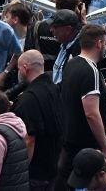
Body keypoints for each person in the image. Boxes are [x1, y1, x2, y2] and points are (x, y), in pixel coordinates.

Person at [57, 24, 106, 190]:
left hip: (69, 142)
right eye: (105, 43)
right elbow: (91, 113)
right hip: (84, 147)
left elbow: (79, 98)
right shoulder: (90, 70)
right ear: (99, 43)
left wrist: (105, 86)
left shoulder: (72, 64)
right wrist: (105, 149)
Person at [11, 49, 63, 191]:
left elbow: (29, 139)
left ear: (25, 68)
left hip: (36, 173)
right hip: (54, 164)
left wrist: (21, 169)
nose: (18, 72)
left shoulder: (28, 99)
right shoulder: (54, 89)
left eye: (18, 68)